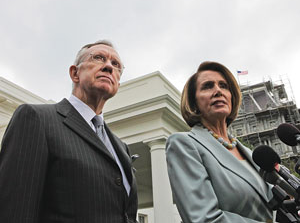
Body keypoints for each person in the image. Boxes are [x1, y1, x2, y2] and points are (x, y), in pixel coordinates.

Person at [0, 40, 138, 223]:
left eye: (116, 65)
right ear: (75, 73)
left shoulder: (121, 148)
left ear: (118, 83)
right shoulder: (36, 119)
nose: (108, 67)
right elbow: (15, 211)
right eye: (99, 58)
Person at [166, 61, 274, 223]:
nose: (218, 91)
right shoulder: (184, 144)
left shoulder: (252, 154)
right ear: (194, 103)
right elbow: (204, 218)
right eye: (208, 86)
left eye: (223, 86)